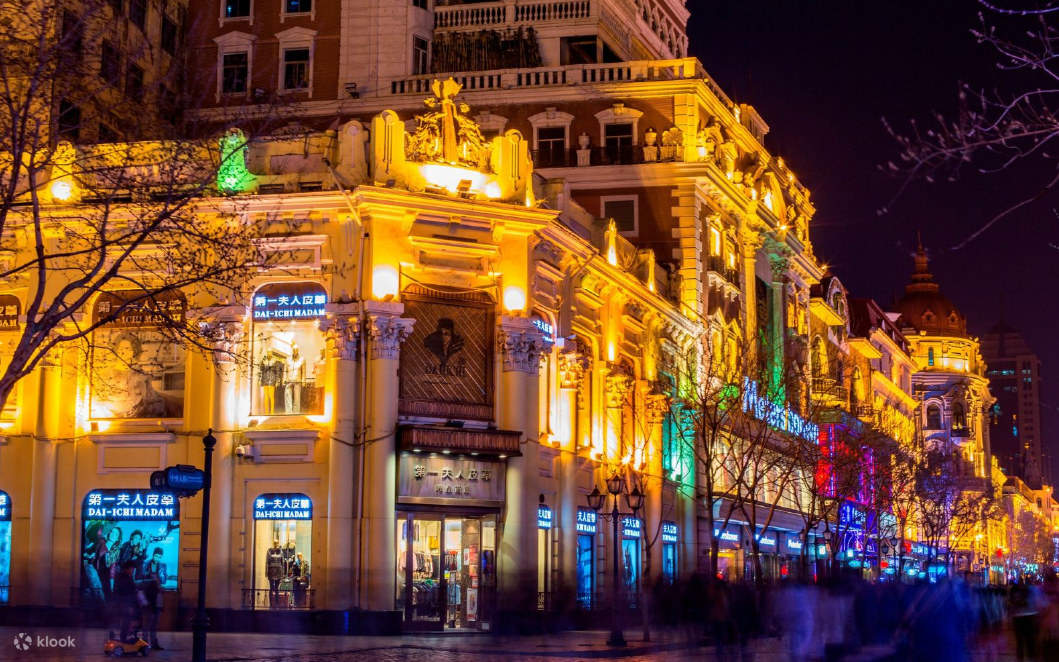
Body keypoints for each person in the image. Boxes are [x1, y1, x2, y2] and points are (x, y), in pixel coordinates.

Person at [138, 547, 167, 650]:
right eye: (156, 556)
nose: (157, 558)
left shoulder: (162, 565)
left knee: (155, 623)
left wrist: (159, 578)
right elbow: (141, 578)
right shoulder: (146, 564)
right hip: (148, 596)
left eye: (159, 556)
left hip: (157, 597)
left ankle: (154, 643)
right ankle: (145, 644)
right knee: (146, 623)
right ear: (153, 555)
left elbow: (164, 580)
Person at [112, 561, 140, 643]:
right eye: (132, 569)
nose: (133, 570)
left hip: (125, 603)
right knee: (126, 622)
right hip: (126, 604)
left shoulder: (124, 576)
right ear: (128, 568)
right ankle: (123, 640)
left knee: (127, 622)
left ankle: (124, 639)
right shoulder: (124, 577)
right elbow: (126, 591)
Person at [265, 540, 285, 607]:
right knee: (271, 588)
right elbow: (267, 562)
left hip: (278, 570)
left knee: (277, 588)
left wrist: (283, 573)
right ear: (273, 543)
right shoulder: (269, 550)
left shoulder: (280, 551)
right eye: (275, 543)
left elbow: (282, 563)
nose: (276, 544)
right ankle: (271, 603)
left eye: (277, 543)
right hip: (271, 571)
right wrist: (266, 572)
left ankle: (276, 603)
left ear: (278, 543)